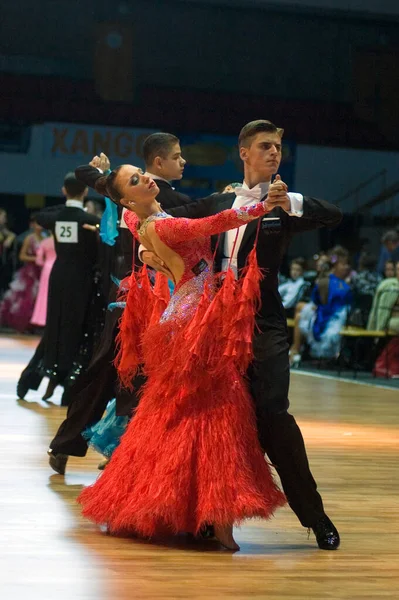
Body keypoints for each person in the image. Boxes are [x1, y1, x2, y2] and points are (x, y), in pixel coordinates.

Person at [140, 120, 342, 550]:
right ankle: (201, 517)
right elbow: (161, 223)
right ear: (244, 153)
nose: (274, 154)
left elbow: (335, 215)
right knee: (208, 421)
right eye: (265, 146)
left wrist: (291, 202)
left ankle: (315, 515)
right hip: (212, 327)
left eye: (278, 148)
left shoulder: (281, 207)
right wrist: (143, 248)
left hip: (263, 324)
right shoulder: (217, 203)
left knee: (273, 415)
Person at [78, 163, 287, 551]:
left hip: (183, 314)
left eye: (142, 172)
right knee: (215, 414)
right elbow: (222, 220)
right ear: (129, 197)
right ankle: (217, 515)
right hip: (193, 324)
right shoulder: (167, 226)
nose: (148, 179)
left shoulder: (138, 219)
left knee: (173, 415)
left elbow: (124, 209)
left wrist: (103, 183)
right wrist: (264, 204)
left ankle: (165, 504)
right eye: (138, 181)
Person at [47, 133, 192, 474]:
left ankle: (75, 447)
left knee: (105, 377)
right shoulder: (174, 200)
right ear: (159, 162)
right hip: (144, 308)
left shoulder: (124, 189)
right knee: (131, 382)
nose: (183, 162)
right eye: (177, 156)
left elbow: (85, 173)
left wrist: (107, 173)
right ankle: (119, 455)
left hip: (129, 305)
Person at [17, 173, 103, 405]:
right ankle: (66, 381)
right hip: (82, 280)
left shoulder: (55, 217)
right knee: (76, 327)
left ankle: (45, 376)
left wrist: (67, 206)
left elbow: (41, 216)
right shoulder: (88, 219)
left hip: (58, 277)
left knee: (55, 325)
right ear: (85, 192)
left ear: (64, 191)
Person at [297, 256, 352, 360]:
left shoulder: (348, 284)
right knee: (304, 316)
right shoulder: (325, 282)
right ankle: (299, 350)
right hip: (322, 312)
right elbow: (316, 300)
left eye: (347, 264)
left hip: (340, 315)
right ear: (335, 266)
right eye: (343, 264)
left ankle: (332, 355)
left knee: (332, 331)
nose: (346, 267)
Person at [0, 214, 45, 332]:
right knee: (26, 297)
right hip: (30, 272)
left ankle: (36, 323)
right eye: (37, 223)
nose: (40, 226)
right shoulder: (29, 238)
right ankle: (24, 323)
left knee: (38, 298)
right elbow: (22, 256)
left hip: (41, 272)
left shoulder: (45, 239)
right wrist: (35, 259)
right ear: (32, 225)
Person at [30, 235, 56, 328]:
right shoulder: (60, 241)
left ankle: (41, 319)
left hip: (47, 268)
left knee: (44, 294)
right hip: (58, 267)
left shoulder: (45, 241)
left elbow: (39, 260)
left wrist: (45, 262)